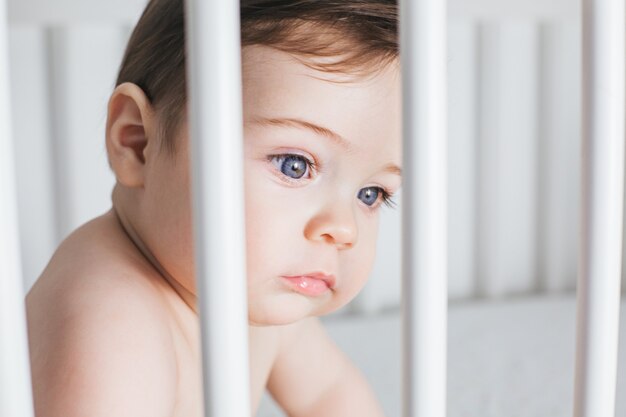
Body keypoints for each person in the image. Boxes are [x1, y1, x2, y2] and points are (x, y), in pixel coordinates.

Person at [25, 0, 401, 415]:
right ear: (136, 142)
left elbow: (328, 393)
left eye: (372, 193)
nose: (343, 228)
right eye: (294, 166)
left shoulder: (251, 290)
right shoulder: (110, 318)